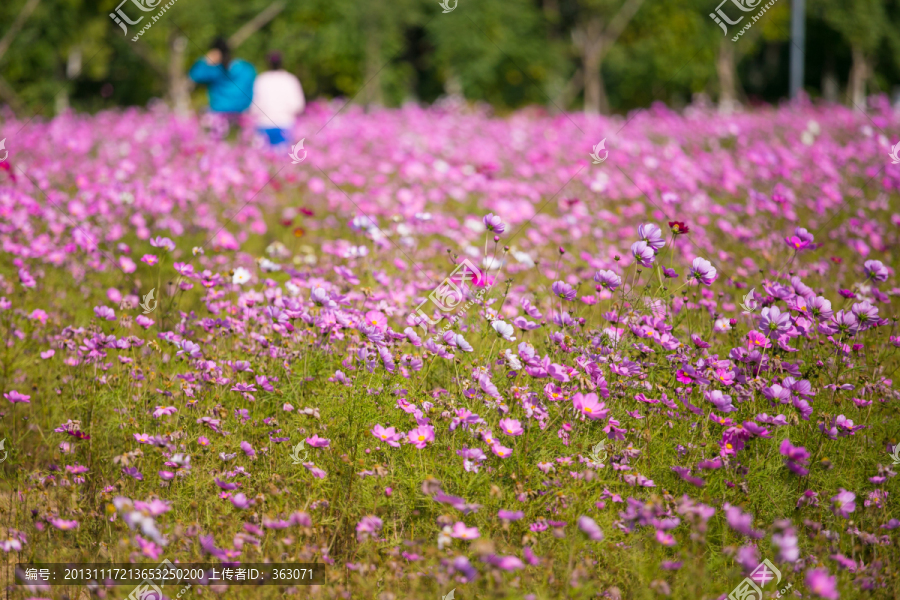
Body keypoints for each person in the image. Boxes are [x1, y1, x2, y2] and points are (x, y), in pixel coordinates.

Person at [189, 38, 256, 128]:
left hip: (219, 115)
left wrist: (205, 60)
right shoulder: (246, 68)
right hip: (242, 116)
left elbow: (195, 75)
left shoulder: (215, 70)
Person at [250, 52, 305, 146]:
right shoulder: (290, 79)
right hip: (285, 123)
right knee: (283, 158)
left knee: (261, 157)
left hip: (263, 124)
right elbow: (299, 105)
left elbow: (254, 105)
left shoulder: (261, 79)